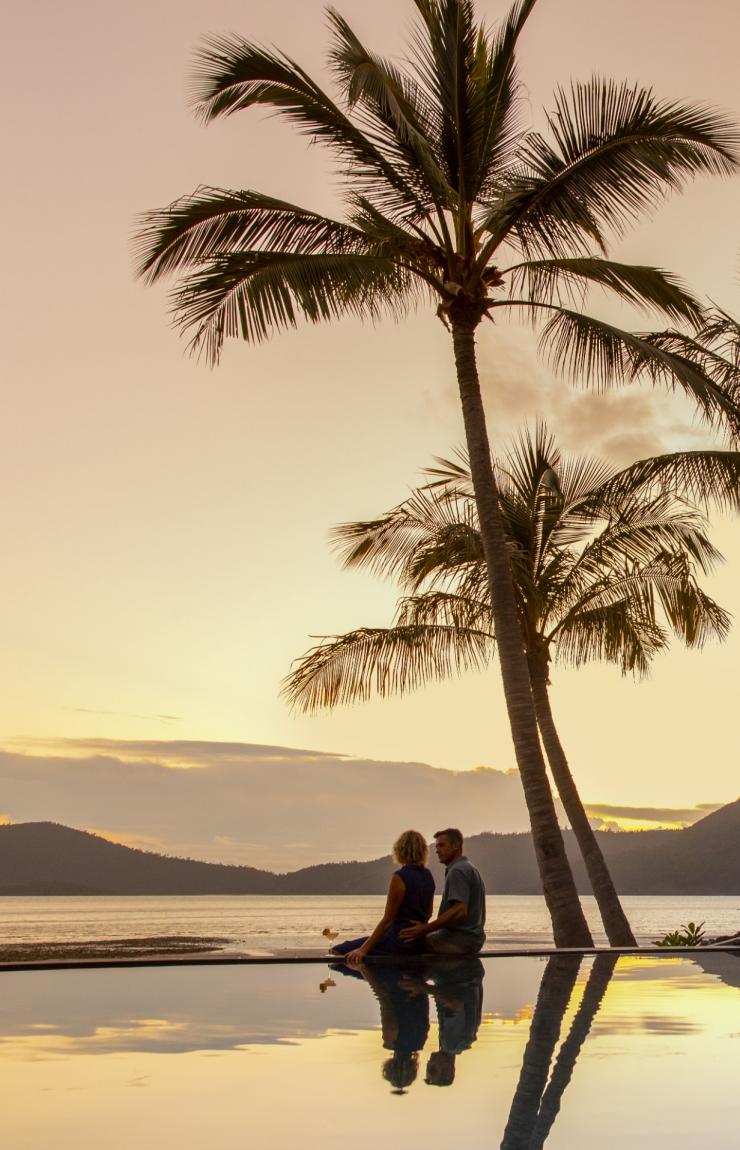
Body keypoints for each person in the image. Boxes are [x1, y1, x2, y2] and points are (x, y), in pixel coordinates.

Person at [330, 829, 435, 965]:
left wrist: (363, 949)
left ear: (399, 850)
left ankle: (376, 982)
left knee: (338, 951)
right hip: (418, 942)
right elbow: (428, 913)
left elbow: (388, 920)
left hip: (398, 941)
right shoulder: (428, 876)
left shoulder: (400, 877)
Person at [400, 828, 486, 955]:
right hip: (472, 940)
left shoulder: (457, 871)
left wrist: (425, 928)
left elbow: (460, 910)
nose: (437, 851)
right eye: (436, 847)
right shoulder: (468, 868)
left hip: (459, 941)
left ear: (456, 846)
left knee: (402, 943)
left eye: (441, 845)